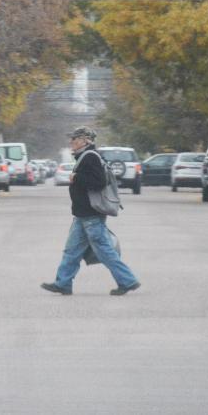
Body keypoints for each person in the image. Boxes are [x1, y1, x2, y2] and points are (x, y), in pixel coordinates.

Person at [41, 126, 141, 296]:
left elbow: (99, 182)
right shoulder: (85, 157)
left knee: (104, 251)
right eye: (72, 139)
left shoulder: (90, 157)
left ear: (85, 141)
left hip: (90, 215)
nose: (71, 142)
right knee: (72, 251)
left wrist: (77, 178)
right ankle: (63, 283)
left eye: (75, 139)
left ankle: (127, 281)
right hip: (82, 215)